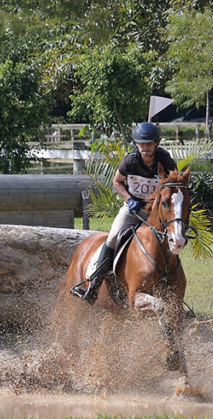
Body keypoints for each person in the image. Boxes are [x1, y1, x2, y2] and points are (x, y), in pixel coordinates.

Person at [70, 122, 178, 304]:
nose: (145, 147)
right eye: (141, 144)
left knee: (171, 240)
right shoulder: (130, 160)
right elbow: (116, 182)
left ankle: (174, 289)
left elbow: (175, 183)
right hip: (132, 209)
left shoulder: (165, 160)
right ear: (136, 144)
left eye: (149, 143)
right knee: (112, 237)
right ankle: (94, 285)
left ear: (156, 143)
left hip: (155, 212)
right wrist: (129, 199)